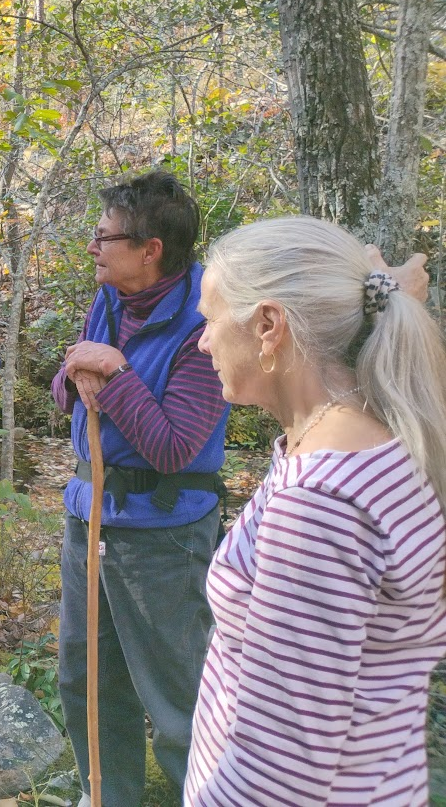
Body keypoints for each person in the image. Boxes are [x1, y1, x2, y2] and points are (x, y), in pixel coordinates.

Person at [184, 217, 446, 805]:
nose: (202, 342)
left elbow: (278, 779)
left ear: (268, 325)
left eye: (210, 321)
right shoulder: (379, 440)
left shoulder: (321, 503)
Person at [51, 169, 229, 806]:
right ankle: (106, 795)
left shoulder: (205, 321)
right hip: (90, 514)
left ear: (150, 249)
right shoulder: (111, 297)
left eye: (104, 237)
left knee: (177, 691)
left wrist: (117, 372)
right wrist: (79, 374)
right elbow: (69, 379)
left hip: (162, 534)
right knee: (86, 677)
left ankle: (205, 795)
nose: (94, 248)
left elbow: (177, 447)